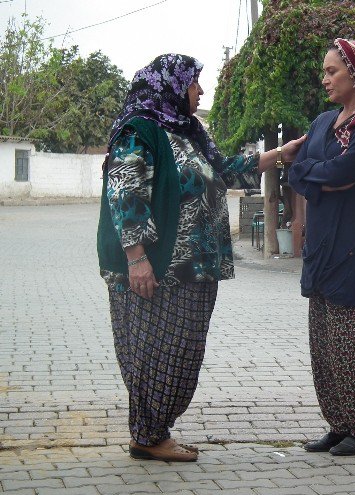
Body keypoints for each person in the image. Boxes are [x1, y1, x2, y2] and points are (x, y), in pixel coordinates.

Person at [97, 54, 305, 462]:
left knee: (181, 354)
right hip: (157, 269)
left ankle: (152, 432)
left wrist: (281, 154)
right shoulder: (139, 131)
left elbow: (224, 170)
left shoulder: (188, 133)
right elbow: (124, 189)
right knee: (152, 354)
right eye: (195, 84)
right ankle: (149, 436)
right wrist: (137, 257)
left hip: (194, 268)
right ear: (173, 86)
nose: (201, 91)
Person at [288, 39, 355, 456]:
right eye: (325, 71)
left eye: (333, 71)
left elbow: (346, 171)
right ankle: (338, 424)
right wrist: (320, 173)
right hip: (322, 246)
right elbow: (300, 172)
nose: (325, 78)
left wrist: (317, 172)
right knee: (325, 344)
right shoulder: (323, 122)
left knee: (354, 342)